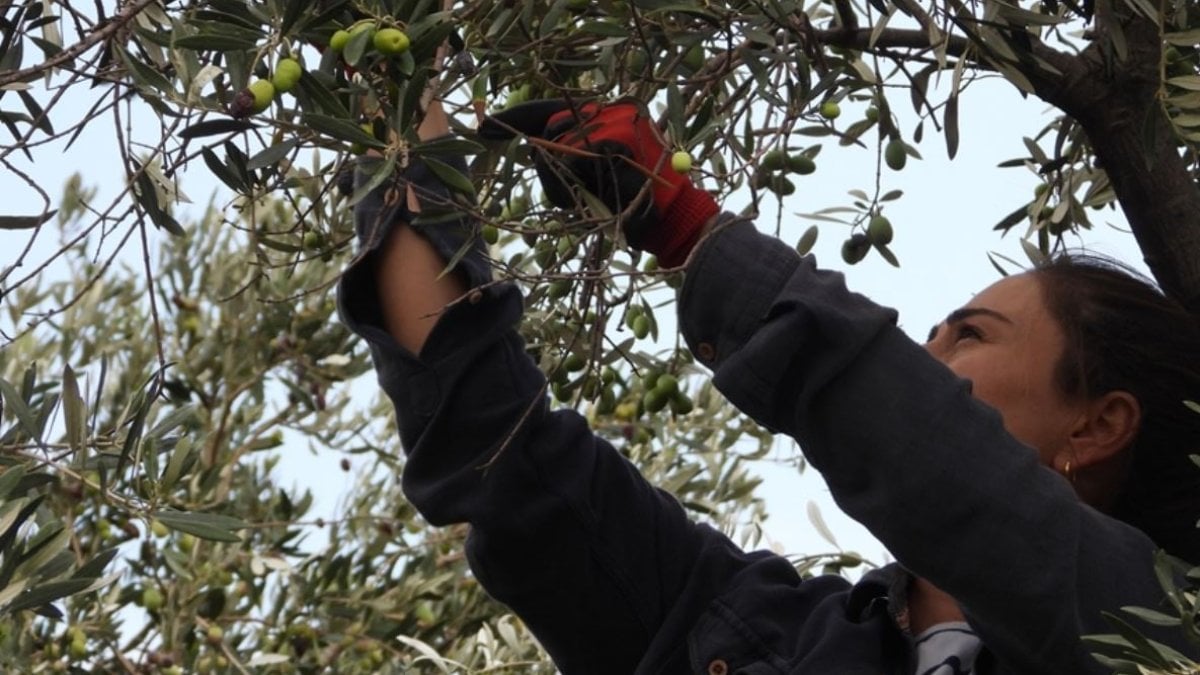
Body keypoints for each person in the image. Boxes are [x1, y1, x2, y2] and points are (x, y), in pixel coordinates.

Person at [336, 97, 1200, 674]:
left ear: (1098, 425)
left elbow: (945, 467)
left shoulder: (1159, 622)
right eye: (930, 332)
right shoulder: (763, 633)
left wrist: (687, 227)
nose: (922, 353)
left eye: (969, 335)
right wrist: (405, 157)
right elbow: (506, 466)